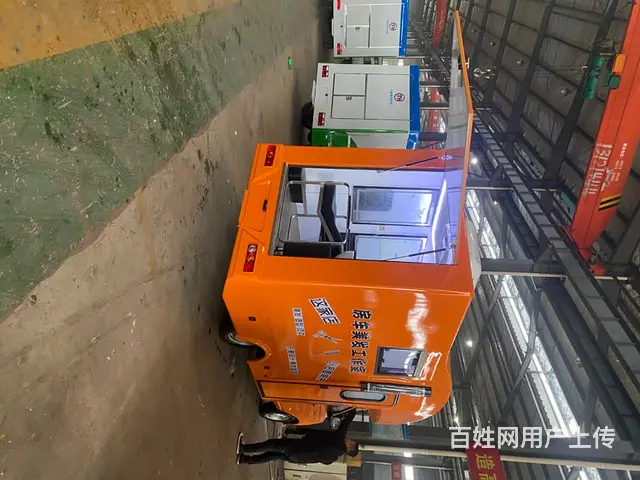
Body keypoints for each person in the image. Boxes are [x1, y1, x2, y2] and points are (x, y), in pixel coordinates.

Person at [236, 410, 359, 465]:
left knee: (272, 445)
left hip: (297, 448)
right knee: (272, 455)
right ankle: (245, 459)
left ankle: (245, 449)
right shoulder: (334, 457)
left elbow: (344, 426)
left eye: (351, 441)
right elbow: (322, 460)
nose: (348, 439)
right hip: (298, 458)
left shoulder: (338, 442)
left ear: (349, 446)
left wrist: (353, 412)